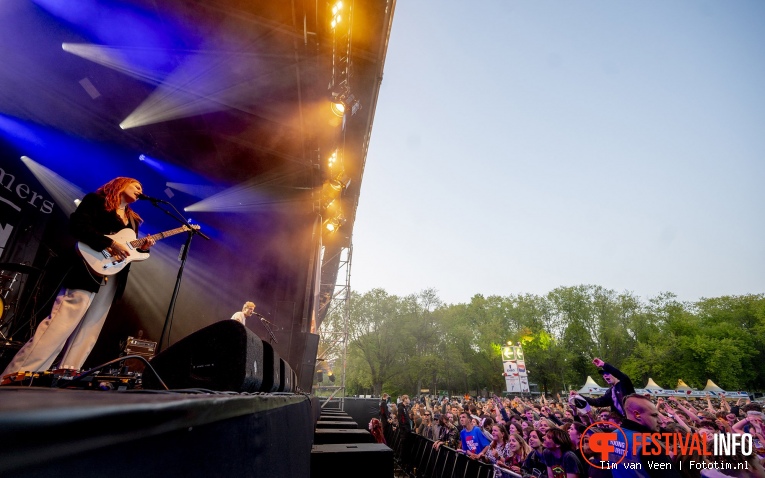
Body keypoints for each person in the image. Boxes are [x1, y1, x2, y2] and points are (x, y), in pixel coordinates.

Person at [2, 177, 155, 377]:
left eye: (141, 187)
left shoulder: (133, 218)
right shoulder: (97, 201)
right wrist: (107, 243)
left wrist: (144, 249)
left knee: (89, 330)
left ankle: (67, 374)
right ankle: (17, 374)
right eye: (136, 185)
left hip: (113, 274)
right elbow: (78, 226)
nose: (140, 189)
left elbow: (128, 249)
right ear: (121, 184)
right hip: (87, 266)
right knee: (61, 322)